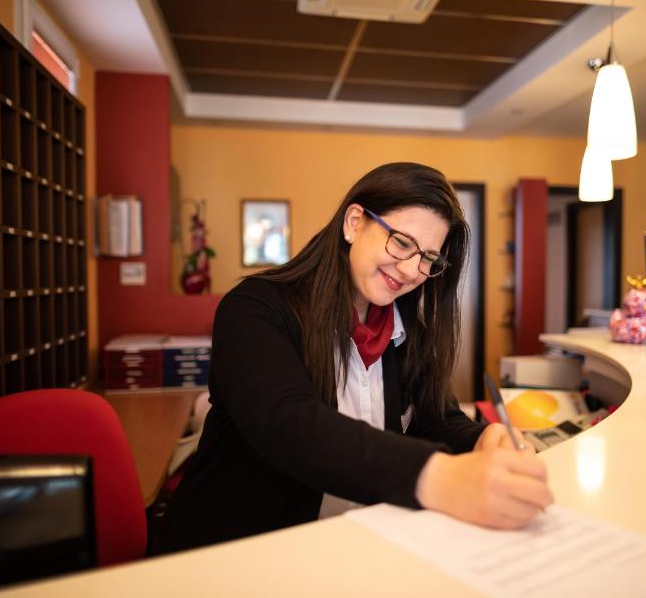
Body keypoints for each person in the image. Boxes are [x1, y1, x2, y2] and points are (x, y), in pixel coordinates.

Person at [158, 162, 554, 553]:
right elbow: (289, 424)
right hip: (243, 554)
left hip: (356, 544)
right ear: (354, 223)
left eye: (428, 259)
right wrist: (436, 475)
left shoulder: (405, 328)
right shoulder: (255, 309)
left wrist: (481, 438)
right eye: (402, 243)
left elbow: (436, 419)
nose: (411, 270)